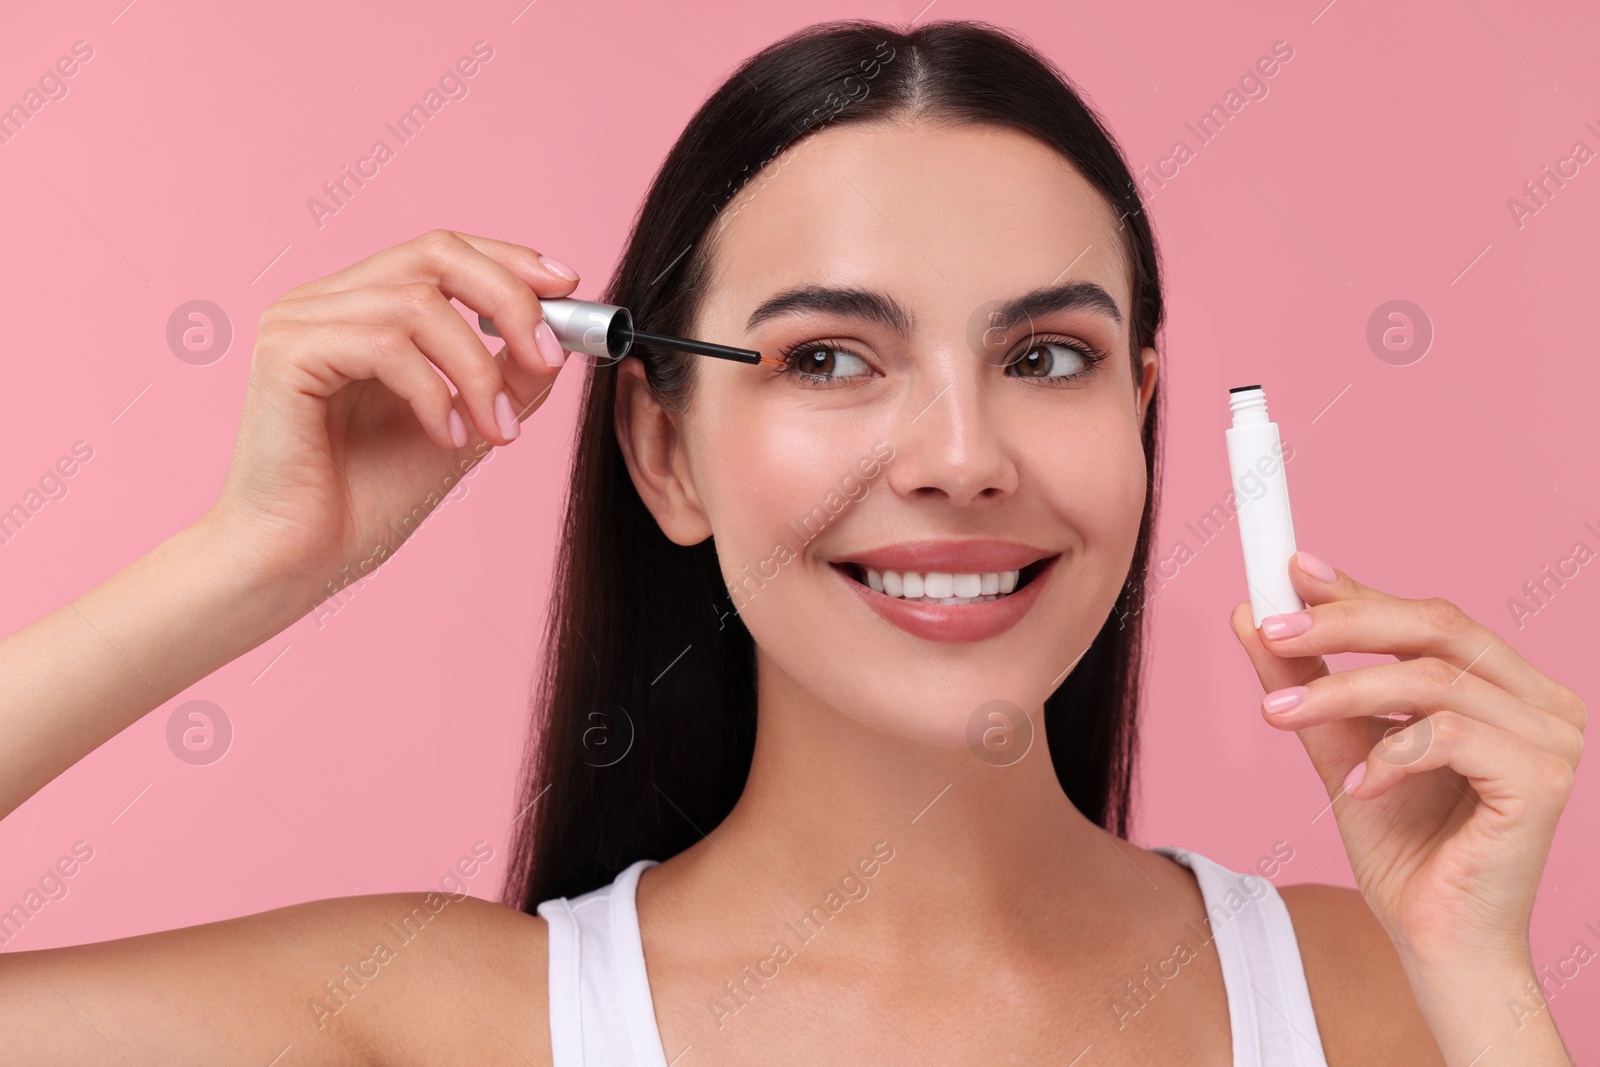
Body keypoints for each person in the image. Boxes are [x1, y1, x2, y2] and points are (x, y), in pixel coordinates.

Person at [0, 18, 1583, 1066]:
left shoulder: (1384, 995)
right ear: (661, 451)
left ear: (1147, 418)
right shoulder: (437, 1027)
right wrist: (254, 559)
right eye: (830, 357)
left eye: (1046, 359)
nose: (963, 459)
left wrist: (1487, 989)